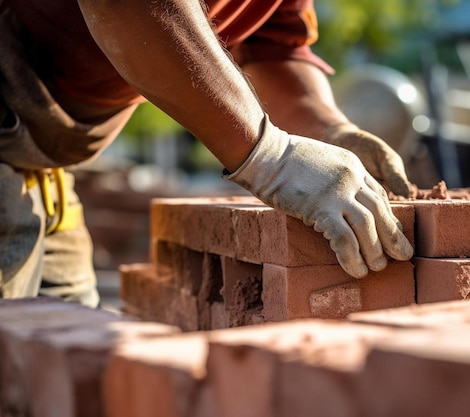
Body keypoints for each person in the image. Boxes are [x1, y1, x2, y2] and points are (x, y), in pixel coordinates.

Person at [0, 0, 414, 308]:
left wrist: (330, 131)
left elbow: (273, 50)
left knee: (70, 366)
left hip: (42, 166)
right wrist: (272, 157)